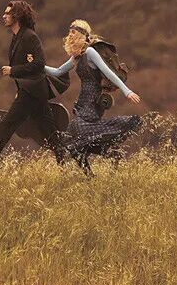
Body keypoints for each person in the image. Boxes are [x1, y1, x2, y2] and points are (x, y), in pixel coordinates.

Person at [45, 20, 142, 173]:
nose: (70, 35)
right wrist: (37, 65)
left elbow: (109, 73)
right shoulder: (76, 57)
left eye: (73, 32)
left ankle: (107, 156)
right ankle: (99, 165)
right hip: (82, 102)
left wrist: (127, 91)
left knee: (75, 134)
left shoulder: (90, 52)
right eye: (70, 32)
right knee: (75, 142)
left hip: (93, 103)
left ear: (82, 35)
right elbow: (58, 71)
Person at [0, 0, 66, 170]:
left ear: (17, 16)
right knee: (51, 133)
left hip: (32, 93)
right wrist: (20, 88)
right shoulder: (17, 37)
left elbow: (39, 64)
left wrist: (13, 70)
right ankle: (68, 164)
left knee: (6, 126)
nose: (3, 16)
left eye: (7, 13)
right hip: (32, 92)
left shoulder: (29, 37)